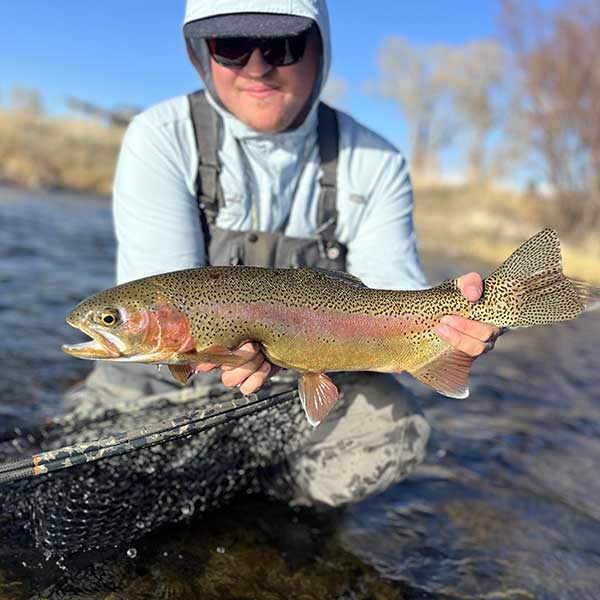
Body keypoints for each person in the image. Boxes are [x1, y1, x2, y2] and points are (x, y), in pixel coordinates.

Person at [77, 0, 500, 507]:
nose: (256, 66)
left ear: (320, 48)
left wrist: (460, 326)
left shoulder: (376, 161)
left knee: (397, 430)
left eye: (282, 45)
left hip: (312, 368)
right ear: (201, 53)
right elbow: (164, 310)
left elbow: (402, 298)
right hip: (164, 375)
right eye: (230, 46)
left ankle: (276, 507)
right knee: (89, 457)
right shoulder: (159, 136)